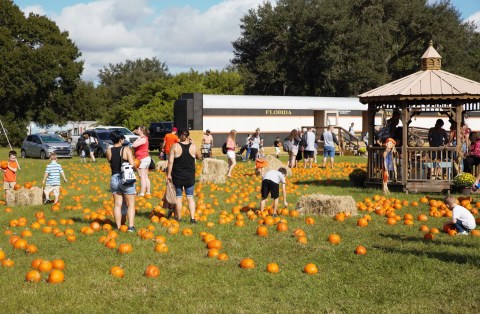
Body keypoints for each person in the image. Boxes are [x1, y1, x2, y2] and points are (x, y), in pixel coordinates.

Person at [166, 129, 201, 223]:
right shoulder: (193, 147)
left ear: (180, 135)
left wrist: (168, 175)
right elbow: (199, 157)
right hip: (190, 175)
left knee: (178, 197)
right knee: (190, 197)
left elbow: (170, 162)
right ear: (188, 136)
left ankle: (179, 218)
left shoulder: (175, 146)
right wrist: (193, 144)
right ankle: (193, 219)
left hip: (178, 175)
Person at [106, 131, 136, 232]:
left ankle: (118, 227)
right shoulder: (126, 149)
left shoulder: (108, 150)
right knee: (130, 204)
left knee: (117, 205)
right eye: (123, 138)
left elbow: (111, 161)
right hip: (125, 178)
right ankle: (131, 227)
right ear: (120, 139)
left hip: (114, 178)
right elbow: (132, 164)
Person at [132, 125, 151, 197]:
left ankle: (142, 193)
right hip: (144, 159)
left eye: (138, 129)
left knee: (142, 176)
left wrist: (137, 139)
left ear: (142, 131)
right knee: (145, 176)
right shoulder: (143, 138)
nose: (137, 130)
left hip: (143, 159)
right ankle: (148, 192)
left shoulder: (143, 139)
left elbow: (134, 145)